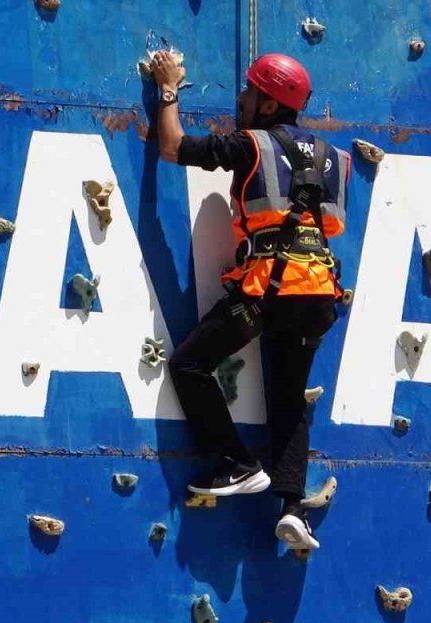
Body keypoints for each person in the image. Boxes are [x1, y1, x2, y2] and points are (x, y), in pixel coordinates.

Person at [148, 51, 351, 551]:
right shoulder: (331, 156)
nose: (240, 98)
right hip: (319, 295)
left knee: (190, 364)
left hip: (269, 290)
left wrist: (169, 87)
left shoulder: (250, 145)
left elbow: (172, 147)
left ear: (267, 103)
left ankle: (235, 464)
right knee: (288, 399)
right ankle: (291, 508)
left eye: (248, 91)